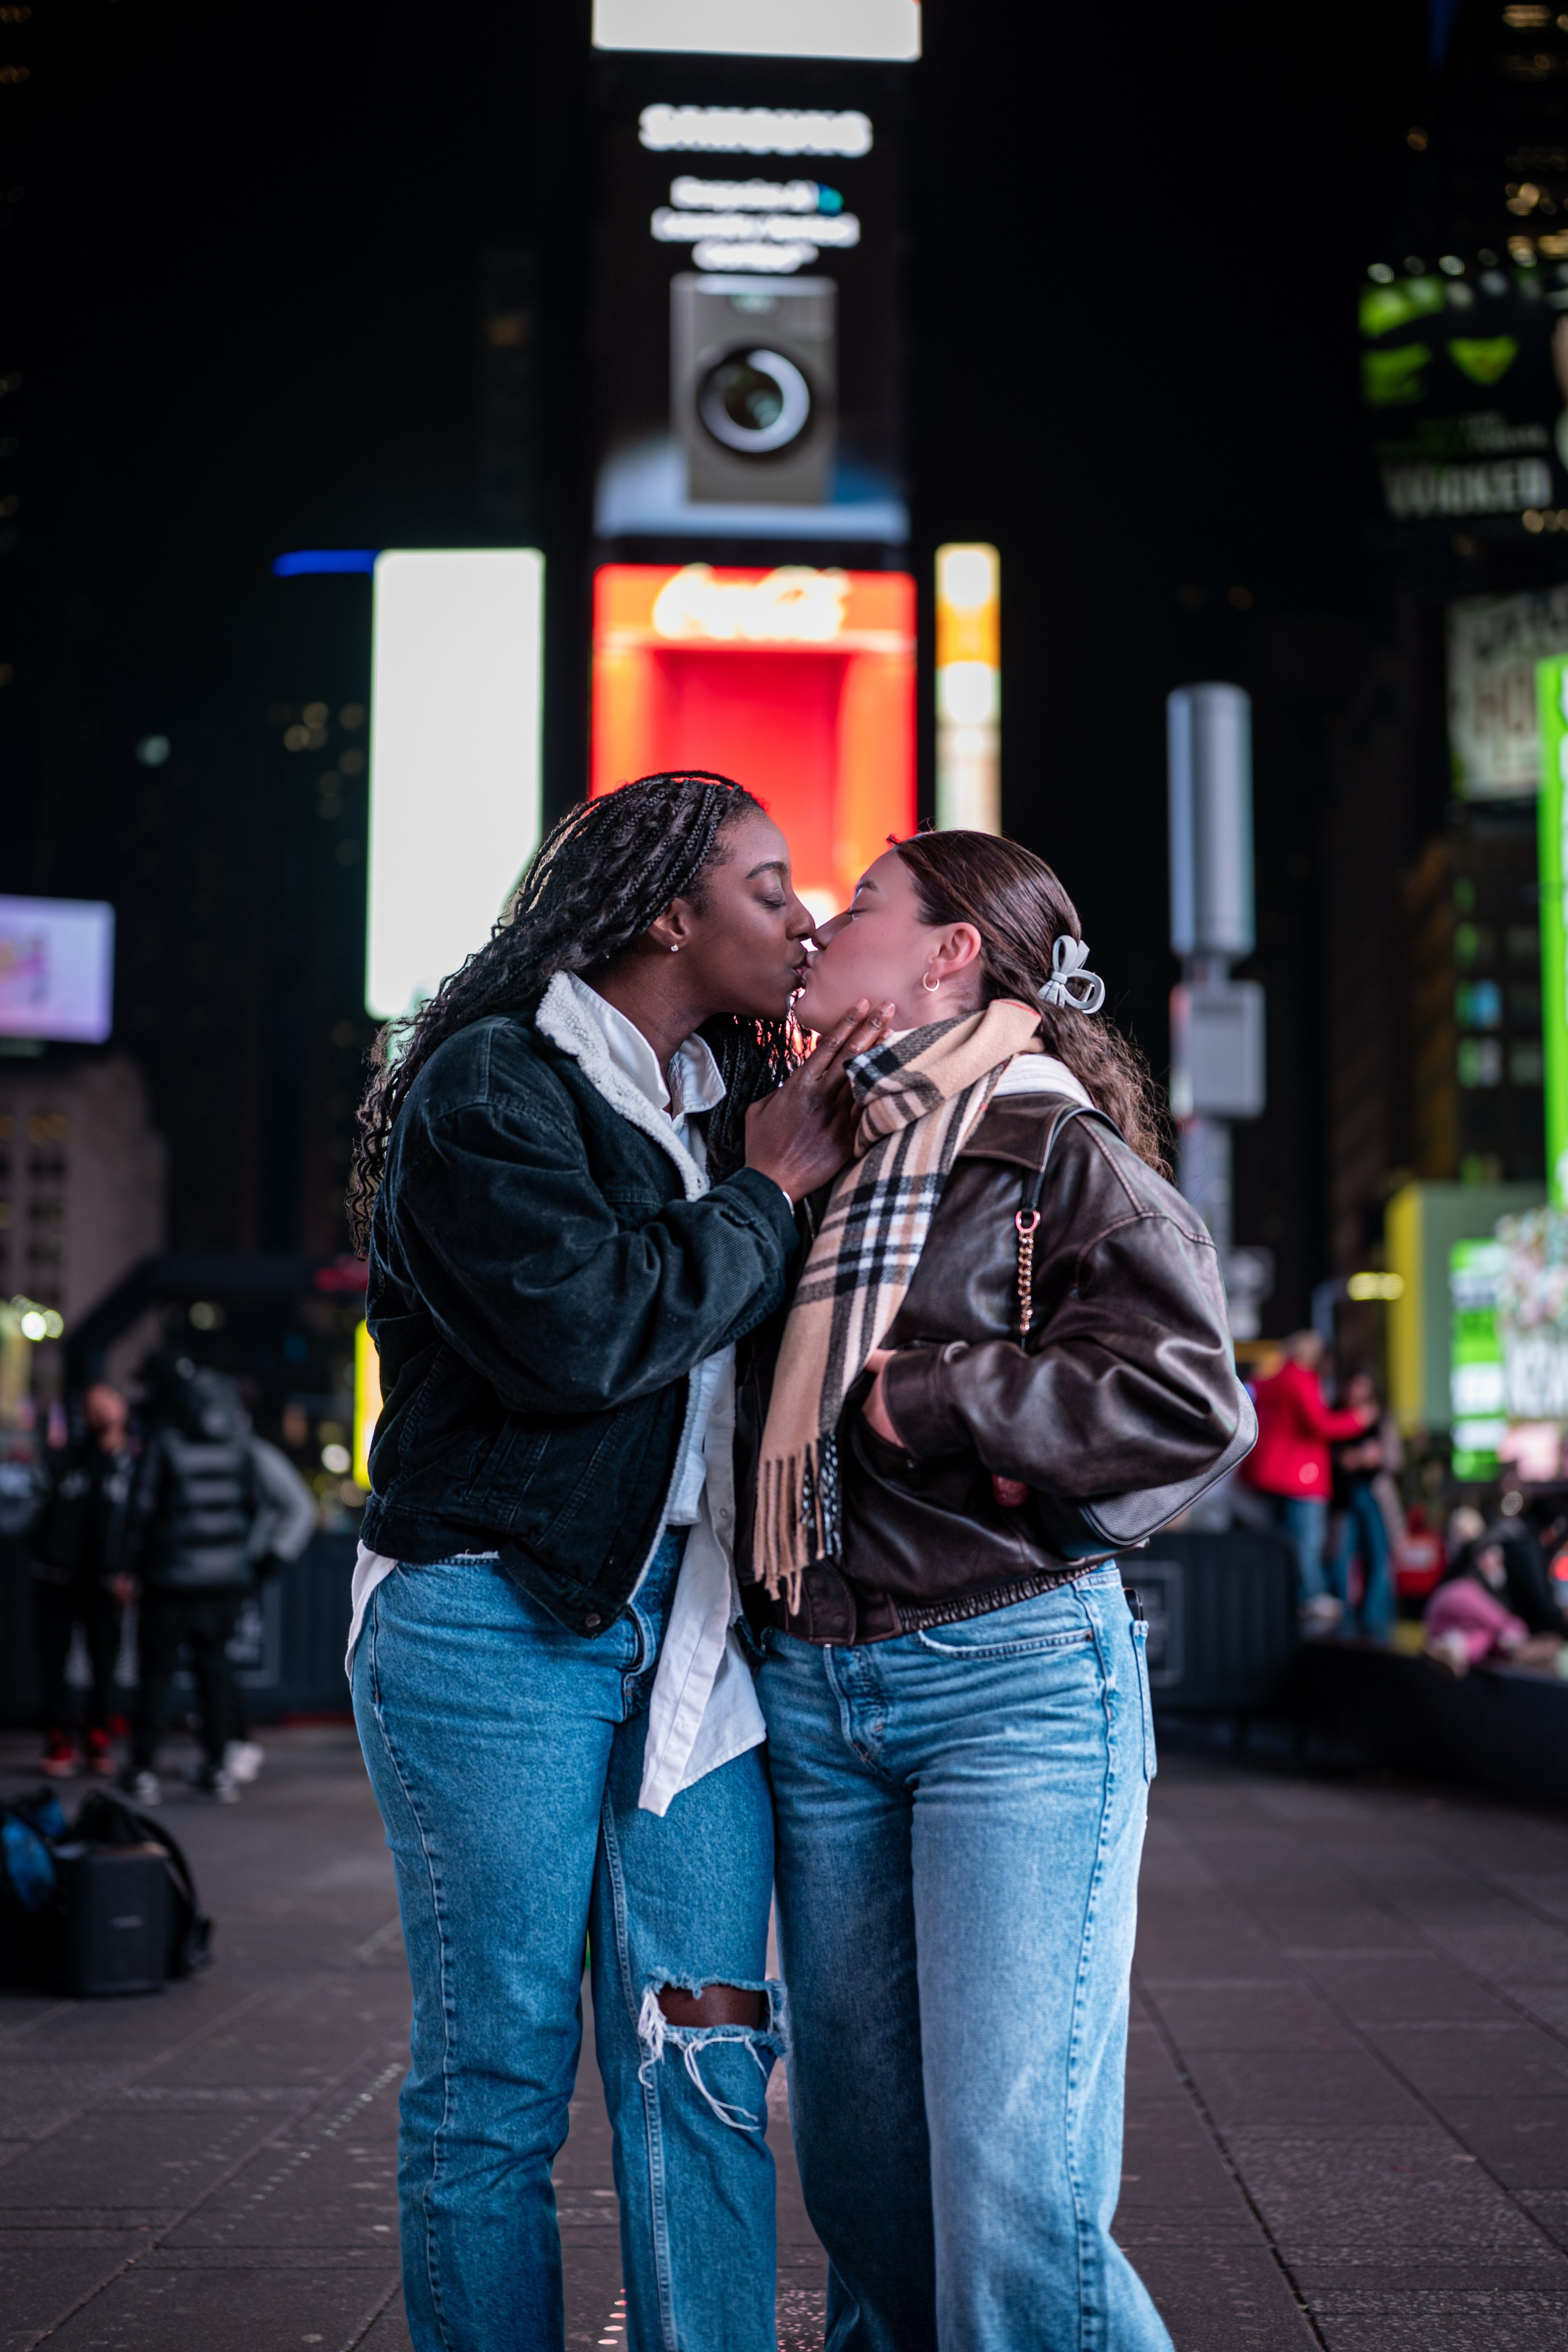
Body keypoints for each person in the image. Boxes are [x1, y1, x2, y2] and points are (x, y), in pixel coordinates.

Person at [344, 772, 891, 2352]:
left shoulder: (720, 1095)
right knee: (497, 2072)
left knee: (706, 2046)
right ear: (668, 911)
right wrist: (771, 1187)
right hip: (491, 1609)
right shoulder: (488, 1087)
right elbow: (584, 1333)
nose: (800, 918)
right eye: (771, 887)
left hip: (693, 1627)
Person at [739, 831, 1247, 2352]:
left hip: (1009, 1680)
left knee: (1008, 2193)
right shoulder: (821, 1145)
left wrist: (935, 1395)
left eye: (866, 903)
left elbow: (1184, 1398)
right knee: (865, 2178)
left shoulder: (1047, 1143)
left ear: (952, 950)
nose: (828, 919)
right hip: (816, 1687)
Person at [120, 1360, 271, 1805]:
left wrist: (128, 1564)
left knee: (154, 1676)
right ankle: (218, 1769)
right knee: (215, 1674)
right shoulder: (238, 1441)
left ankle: (143, 1770)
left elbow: (141, 1509)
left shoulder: (163, 1439)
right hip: (223, 1582)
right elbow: (257, 1504)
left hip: (168, 1579)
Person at [29, 1381, 135, 1779]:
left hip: (106, 1582)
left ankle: (97, 1737)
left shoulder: (135, 1463)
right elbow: (38, 1512)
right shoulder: (65, 1459)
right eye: (93, 1406)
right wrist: (45, 1555)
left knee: (104, 1664)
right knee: (53, 1664)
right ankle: (58, 1740)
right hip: (57, 1578)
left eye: (108, 1402)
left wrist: (128, 1570)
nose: (102, 1412)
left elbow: (139, 1523)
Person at [1242, 1330, 1373, 1629]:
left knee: (1282, 1541)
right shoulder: (1301, 1380)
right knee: (1307, 1541)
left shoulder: (1271, 1379)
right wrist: (1357, 1419)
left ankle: (1286, 1596)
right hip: (1301, 1476)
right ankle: (1311, 1595)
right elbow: (1320, 1424)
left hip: (1272, 1474)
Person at [1326, 1370, 1400, 1640]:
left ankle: (1375, 1617)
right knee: (1340, 1557)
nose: (1357, 1394)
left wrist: (1372, 1458)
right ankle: (1341, 1618)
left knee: (1379, 1555)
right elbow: (1329, 1453)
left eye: (1363, 1388)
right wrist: (1349, 1458)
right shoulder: (1335, 1415)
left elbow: (1393, 1459)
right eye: (1353, 1387)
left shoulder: (1379, 1419)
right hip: (1341, 1500)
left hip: (1374, 1496)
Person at [1425, 1537, 1567, 1676]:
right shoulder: (1464, 1590)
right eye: (1496, 1559)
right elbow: (1502, 1621)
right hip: (1443, 1642)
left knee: (1487, 1634)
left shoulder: (1461, 1589)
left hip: (1453, 1645)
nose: (1500, 1564)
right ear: (1479, 1559)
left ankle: (1453, 1649)